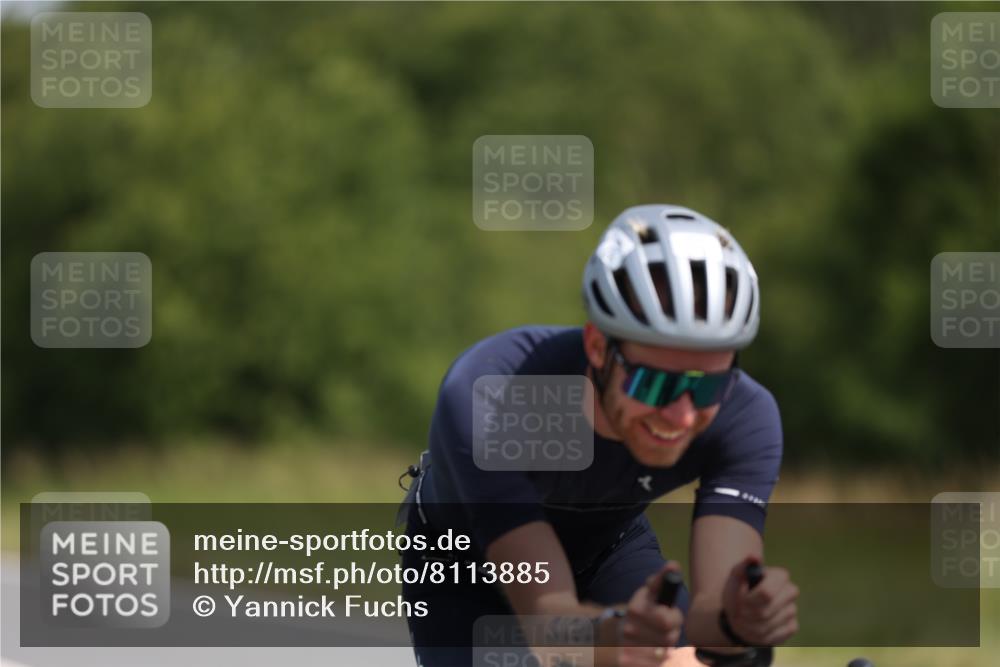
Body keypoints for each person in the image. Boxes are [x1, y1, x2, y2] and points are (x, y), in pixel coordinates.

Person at [399, 205, 800, 667]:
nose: (682, 415)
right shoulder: (495, 394)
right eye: (654, 384)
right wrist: (617, 637)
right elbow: (551, 625)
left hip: (608, 548)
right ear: (597, 347)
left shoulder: (745, 415)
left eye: (707, 385)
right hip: (465, 569)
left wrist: (738, 625)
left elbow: (716, 623)